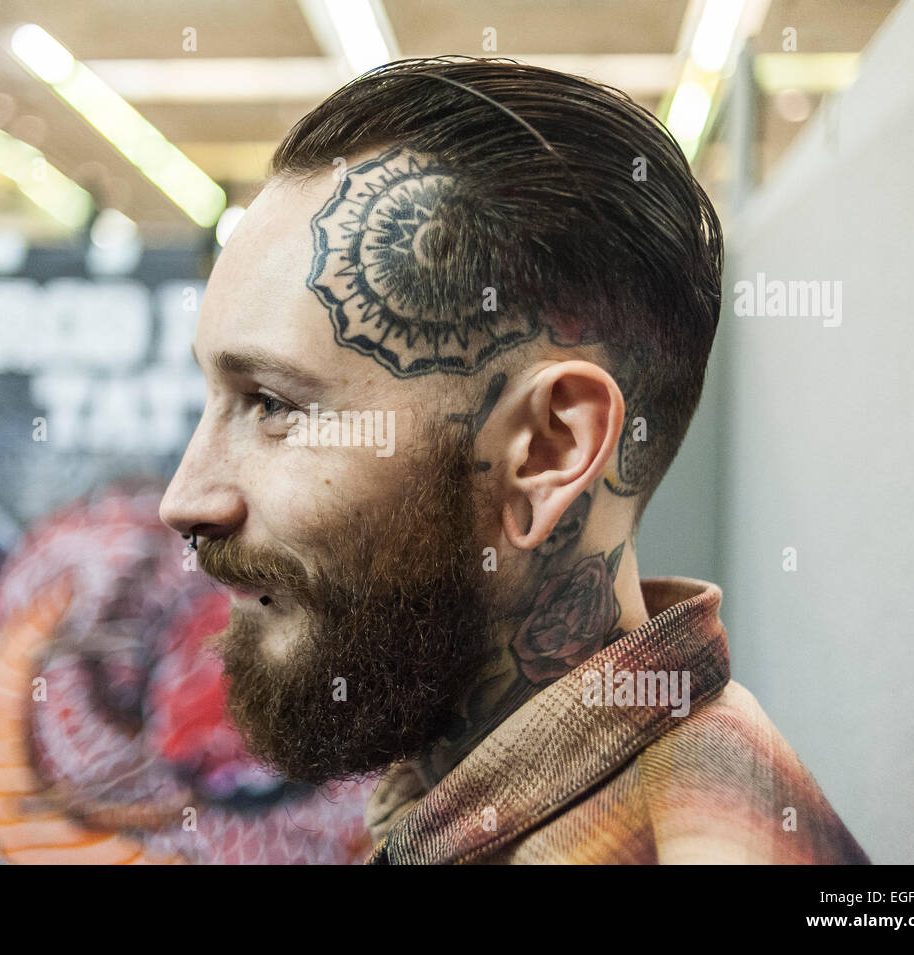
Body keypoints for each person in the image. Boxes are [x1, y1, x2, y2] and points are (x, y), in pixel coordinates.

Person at [159, 56, 869, 865]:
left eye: (274, 405)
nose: (185, 499)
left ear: (549, 450)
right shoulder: (458, 796)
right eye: (214, 396)